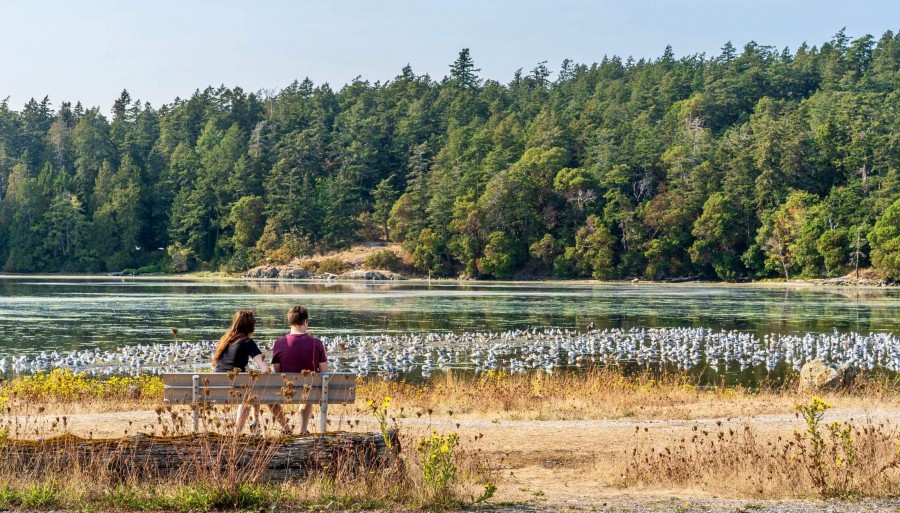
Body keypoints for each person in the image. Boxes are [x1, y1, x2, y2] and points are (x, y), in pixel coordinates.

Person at [270, 306, 328, 434]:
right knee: (309, 387)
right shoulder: (316, 343)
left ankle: (286, 429)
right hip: (310, 391)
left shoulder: (279, 343)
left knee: (268, 397)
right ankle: (303, 430)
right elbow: (325, 372)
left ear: (290, 322)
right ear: (305, 322)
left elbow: (277, 371)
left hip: (286, 390)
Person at [212, 309, 269, 434]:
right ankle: (238, 433)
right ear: (251, 326)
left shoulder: (225, 340)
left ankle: (255, 421)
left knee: (250, 388)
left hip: (216, 388)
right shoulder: (247, 342)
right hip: (236, 389)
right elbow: (264, 368)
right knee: (251, 390)